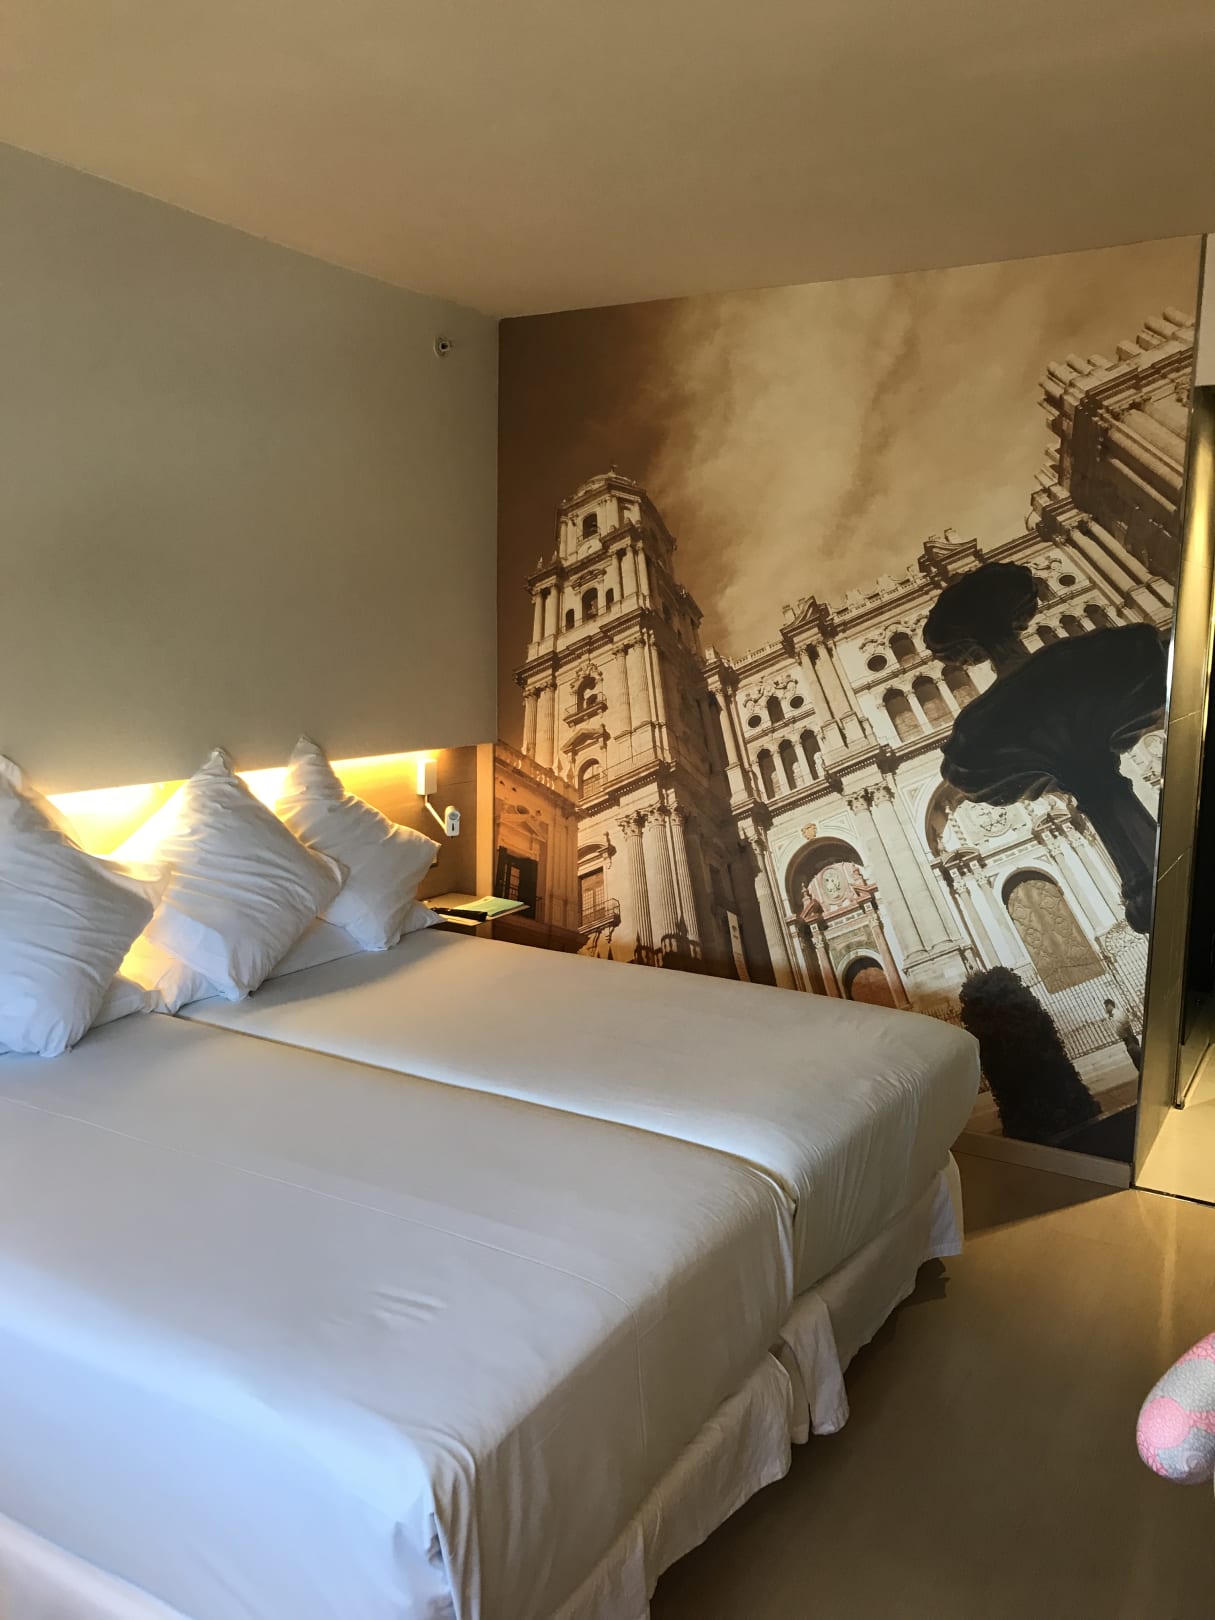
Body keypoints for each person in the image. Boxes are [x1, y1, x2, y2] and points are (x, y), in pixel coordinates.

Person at [1105, 997, 1143, 1069]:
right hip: (1127, 1039)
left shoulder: (1118, 1013)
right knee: (1136, 1057)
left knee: (1137, 1058)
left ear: (1110, 1005)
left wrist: (1130, 1038)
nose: (1105, 1008)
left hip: (1129, 1038)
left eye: (1106, 1006)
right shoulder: (1113, 1015)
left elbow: (1126, 1025)